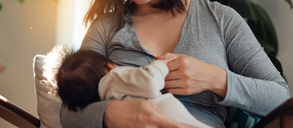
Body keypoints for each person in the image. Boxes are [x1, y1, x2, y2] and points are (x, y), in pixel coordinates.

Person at [60, 0, 292, 127]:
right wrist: (111, 114)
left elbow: (282, 99)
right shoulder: (105, 28)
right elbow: (68, 112)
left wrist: (216, 79)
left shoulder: (221, 19)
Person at [56, 48, 212, 128]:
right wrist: (159, 65)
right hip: (166, 114)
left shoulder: (105, 96)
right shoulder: (114, 77)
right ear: (109, 66)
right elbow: (149, 82)